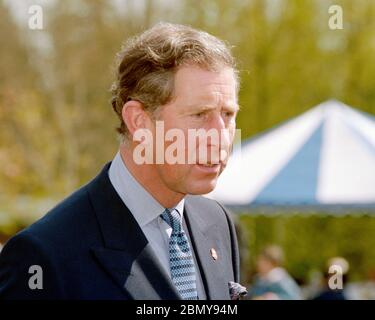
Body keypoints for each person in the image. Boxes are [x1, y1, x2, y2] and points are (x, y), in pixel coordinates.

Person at [0, 22, 241, 300]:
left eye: (228, 114)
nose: (220, 137)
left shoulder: (218, 223)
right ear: (139, 121)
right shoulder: (45, 254)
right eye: (200, 115)